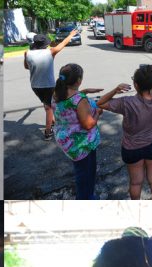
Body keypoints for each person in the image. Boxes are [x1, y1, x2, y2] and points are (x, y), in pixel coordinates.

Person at [97, 64, 152, 200]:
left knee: (136, 182)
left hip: (132, 148)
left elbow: (100, 103)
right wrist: (150, 87)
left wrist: (115, 90)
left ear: (135, 85)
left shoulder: (126, 103)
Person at [51, 63, 103, 200]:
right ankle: (85, 198)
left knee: (84, 170)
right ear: (79, 80)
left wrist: (84, 91)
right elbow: (88, 124)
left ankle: (87, 195)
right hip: (81, 143)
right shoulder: (79, 100)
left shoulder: (56, 93)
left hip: (68, 141)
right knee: (85, 174)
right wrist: (97, 113)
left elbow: (68, 102)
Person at [24, 30, 80, 140]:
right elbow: (63, 44)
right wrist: (70, 35)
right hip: (48, 85)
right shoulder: (50, 52)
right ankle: (48, 132)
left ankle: (52, 121)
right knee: (49, 108)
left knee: (48, 104)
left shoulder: (27, 53)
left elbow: (26, 67)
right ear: (45, 44)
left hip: (35, 85)